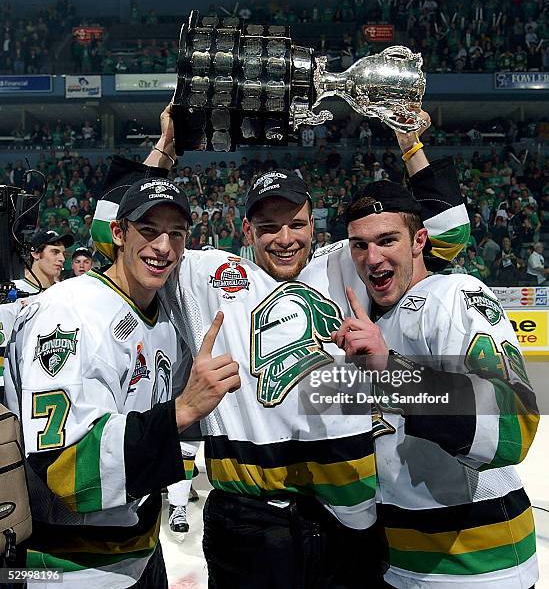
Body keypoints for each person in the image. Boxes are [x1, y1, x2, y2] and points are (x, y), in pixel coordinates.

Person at [92, 104, 471, 588]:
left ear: (316, 225)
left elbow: (446, 237)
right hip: (248, 525)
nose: (285, 238)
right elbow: (110, 240)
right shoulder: (205, 274)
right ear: (246, 231)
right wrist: (165, 148)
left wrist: (410, 144)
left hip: (347, 521)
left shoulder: (347, 262)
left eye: (297, 223)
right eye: (269, 227)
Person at [3, 177, 241, 588]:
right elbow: (66, 469)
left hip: (140, 549)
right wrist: (182, 410)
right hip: (67, 567)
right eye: (148, 231)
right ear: (117, 233)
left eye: (176, 234)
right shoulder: (68, 313)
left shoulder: (164, 312)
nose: (163, 246)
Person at [332, 181, 539, 588]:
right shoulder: (372, 319)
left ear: (419, 240)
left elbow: (513, 428)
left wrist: (388, 368)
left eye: (387, 240)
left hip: (479, 568)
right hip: (400, 560)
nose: (372, 258)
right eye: (359, 245)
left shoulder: (454, 295)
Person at [0, 230, 74, 393]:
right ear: (35, 253)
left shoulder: (66, 295)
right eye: (54, 252)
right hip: (17, 391)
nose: (62, 259)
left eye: (63, 254)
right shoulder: (12, 291)